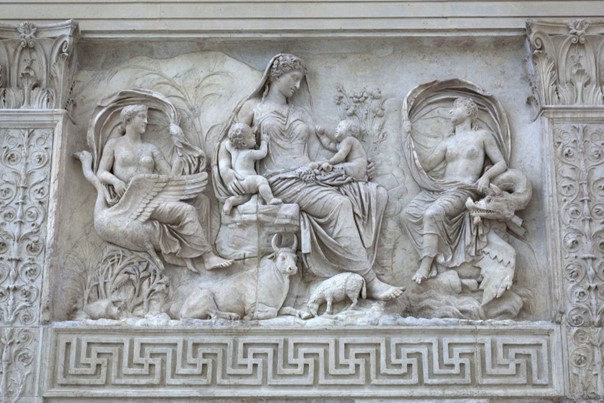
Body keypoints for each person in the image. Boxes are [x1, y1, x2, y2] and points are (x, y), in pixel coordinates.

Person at [215, 54, 404, 300]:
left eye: (301, 81)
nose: (297, 85)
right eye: (294, 78)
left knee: (371, 193)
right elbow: (229, 143)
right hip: (280, 180)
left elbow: (319, 152)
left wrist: (352, 164)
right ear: (276, 75)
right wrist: (225, 169)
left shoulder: (301, 113)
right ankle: (370, 280)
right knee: (339, 204)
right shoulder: (253, 108)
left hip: (308, 175)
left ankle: (353, 272)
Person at [97, 104, 232, 271]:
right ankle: (207, 257)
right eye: (142, 117)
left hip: (151, 198)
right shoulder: (114, 144)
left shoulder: (151, 149)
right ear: (128, 119)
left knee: (202, 200)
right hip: (129, 202)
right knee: (186, 211)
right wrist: (115, 181)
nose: (146, 121)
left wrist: (180, 151)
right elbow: (101, 172)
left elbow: (169, 176)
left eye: (147, 117)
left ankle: (196, 250)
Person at [403, 97, 507, 284]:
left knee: (432, 213)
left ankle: (425, 266)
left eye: (455, 107)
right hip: (441, 189)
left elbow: (501, 163)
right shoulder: (447, 142)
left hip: (463, 189)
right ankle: (434, 253)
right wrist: (408, 138)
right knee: (407, 215)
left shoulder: (482, 136)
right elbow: (426, 165)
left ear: (468, 111)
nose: (450, 111)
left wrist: (486, 176)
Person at [222, 122, 282, 214]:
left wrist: (234, 137)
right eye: (251, 136)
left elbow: (227, 143)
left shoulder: (233, 150)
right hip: (247, 180)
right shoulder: (250, 153)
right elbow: (262, 153)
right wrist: (264, 141)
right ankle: (270, 199)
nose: (254, 136)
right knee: (261, 181)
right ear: (244, 143)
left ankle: (230, 202)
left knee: (245, 197)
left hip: (238, 182)